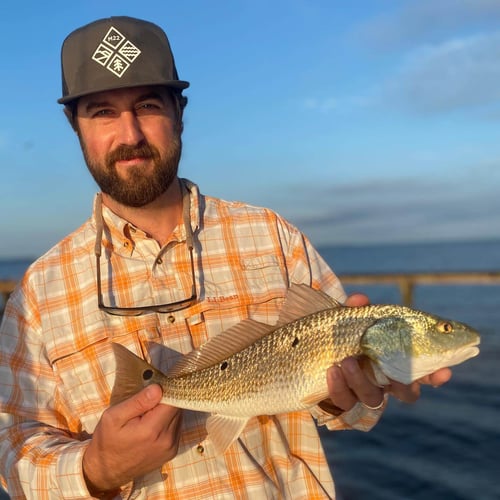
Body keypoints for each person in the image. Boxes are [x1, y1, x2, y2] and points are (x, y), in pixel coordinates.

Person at [0, 16, 451, 499]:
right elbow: (12, 445)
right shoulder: (38, 290)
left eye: (148, 105)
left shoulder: (274, 236)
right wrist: (98, 467)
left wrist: (355, 396)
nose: (129, 134)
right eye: (103, 112)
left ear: (179, 111)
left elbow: (354, 410)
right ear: (75, 125)